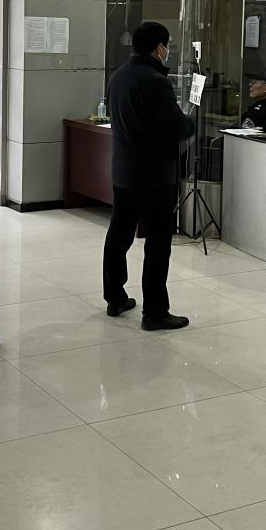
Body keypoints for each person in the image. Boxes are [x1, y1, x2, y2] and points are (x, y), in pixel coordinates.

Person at [102, 21, 196, 330]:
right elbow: (175, 126)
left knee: (119, 234)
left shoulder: (119, 76)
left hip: (123, 170)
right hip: (154, 175)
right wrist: (190, 122)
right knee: (157, 242)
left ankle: (115, 297)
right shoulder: (155, 81)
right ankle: (155, 312)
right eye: (167, 45)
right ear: (159, 48)